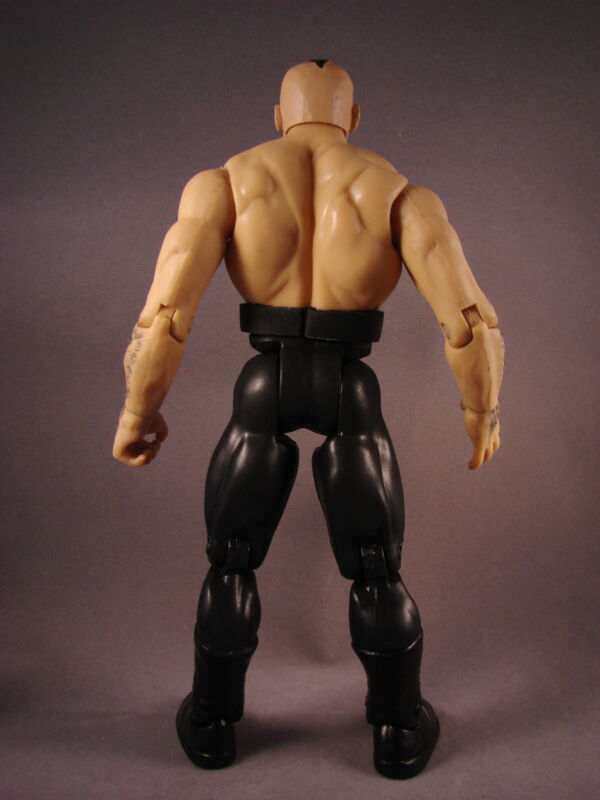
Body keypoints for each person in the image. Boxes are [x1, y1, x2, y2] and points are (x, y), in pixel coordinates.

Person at [113, 60, 504, 779]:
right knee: (376, 566)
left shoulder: (226, 183)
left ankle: (211, 721)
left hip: (263, 386)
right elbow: (469, 320)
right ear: (354, 118)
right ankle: (397, 729)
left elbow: (166, 311)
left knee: (231, 558)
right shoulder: (398, 194)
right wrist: (482, 410)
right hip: (350, 389)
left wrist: (140, 408)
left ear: (277, 116)